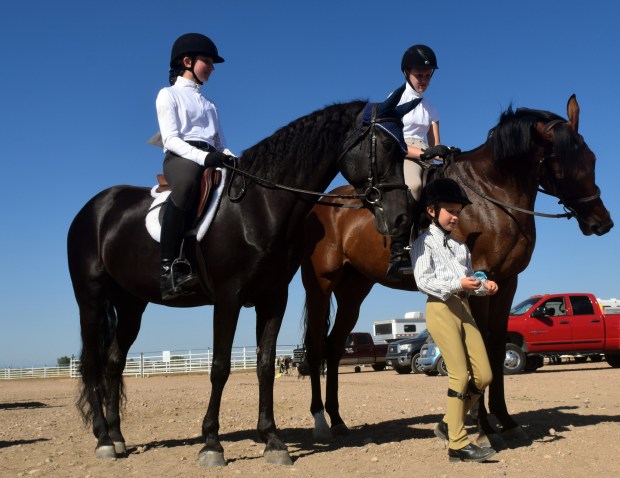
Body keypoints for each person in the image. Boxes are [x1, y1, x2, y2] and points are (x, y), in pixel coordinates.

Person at [411, 178, 498, 463]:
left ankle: (449, 421)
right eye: (450, 210)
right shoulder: (423, 243)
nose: (455, 216)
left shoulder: (461, 247)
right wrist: (457, 282)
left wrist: (485, 287)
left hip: (463, 308)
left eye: (458, 211)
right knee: (459, 375)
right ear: (432, 211)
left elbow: (471, 280)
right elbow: (423, 281)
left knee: (484, 375)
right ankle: (457, 444)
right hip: (440, 308)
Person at [156, 33, 235, 300]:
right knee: (189, 182)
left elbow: (221, 143)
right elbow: (171, 139)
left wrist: (234, 160)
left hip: (211, 156)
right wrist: (203, 158)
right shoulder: (168, 95)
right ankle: (168, 269)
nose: (212, 68)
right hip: (181, 158)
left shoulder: (210, 105)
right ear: (187, 61)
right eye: (208, 62)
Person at [387, 44, 448, 281]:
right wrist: (421, 155)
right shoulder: (395, 100)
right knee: (413, 186)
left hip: (426, 153)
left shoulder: (431, 108)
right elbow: (393, 140)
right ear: (406, 73)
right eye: (419, 75)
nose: (423, 80)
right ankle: (399, 251)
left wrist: (444, 155)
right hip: (403, 152)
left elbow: (436, 145)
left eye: (427, 75)